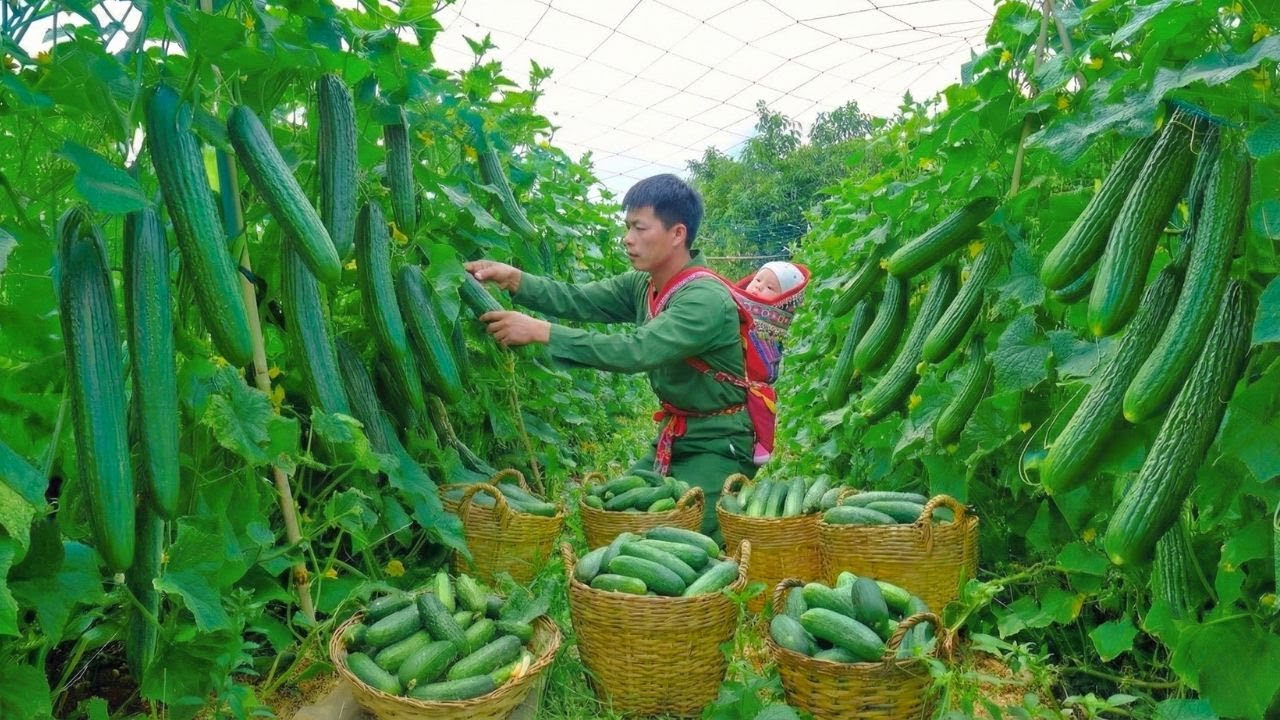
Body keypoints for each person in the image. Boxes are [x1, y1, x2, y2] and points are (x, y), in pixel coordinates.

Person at [465, 174, 756, 538]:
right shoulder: (645, 284)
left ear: (677, 233)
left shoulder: (704, 300)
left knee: (683, 536)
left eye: (639, 228)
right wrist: (515, 279)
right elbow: (578, 299)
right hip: (674, 436)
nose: (627, 238)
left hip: (719, 444)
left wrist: (541, 331)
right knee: (619, 517)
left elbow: (636, 351)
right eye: (627, 227)